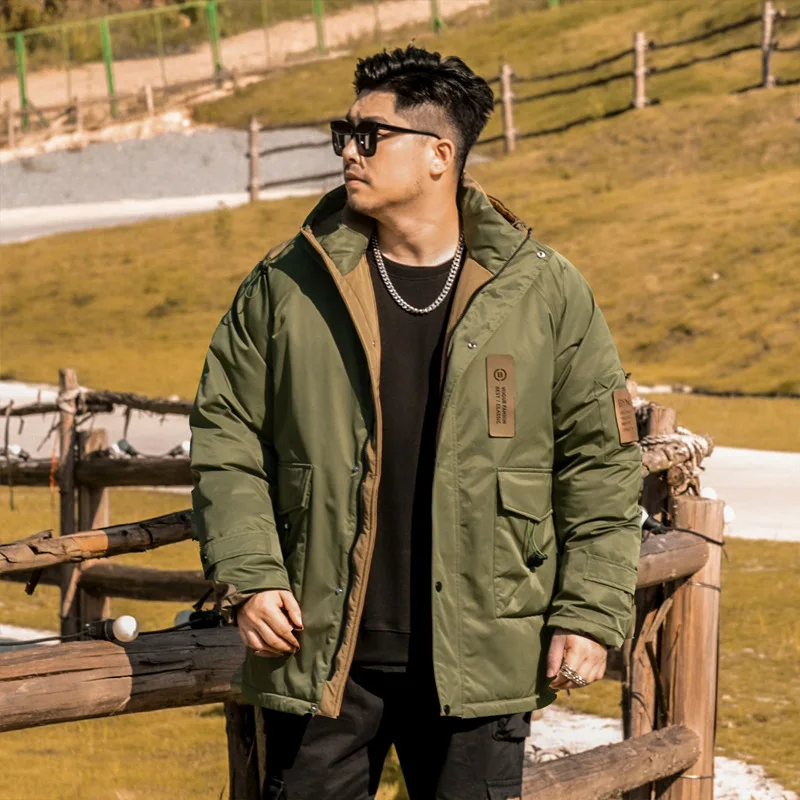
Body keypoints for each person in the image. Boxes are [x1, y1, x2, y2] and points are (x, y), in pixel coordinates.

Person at [189, 44, 643, 800]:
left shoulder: (545, 291)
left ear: (440, 155)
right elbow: (225, 436)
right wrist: (252, 575)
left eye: (369, 135)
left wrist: (591, 612)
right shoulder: (286, 285)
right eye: (344, 133)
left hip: (484, 654)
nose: (348, 150)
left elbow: (600, 462)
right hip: (318, 653)